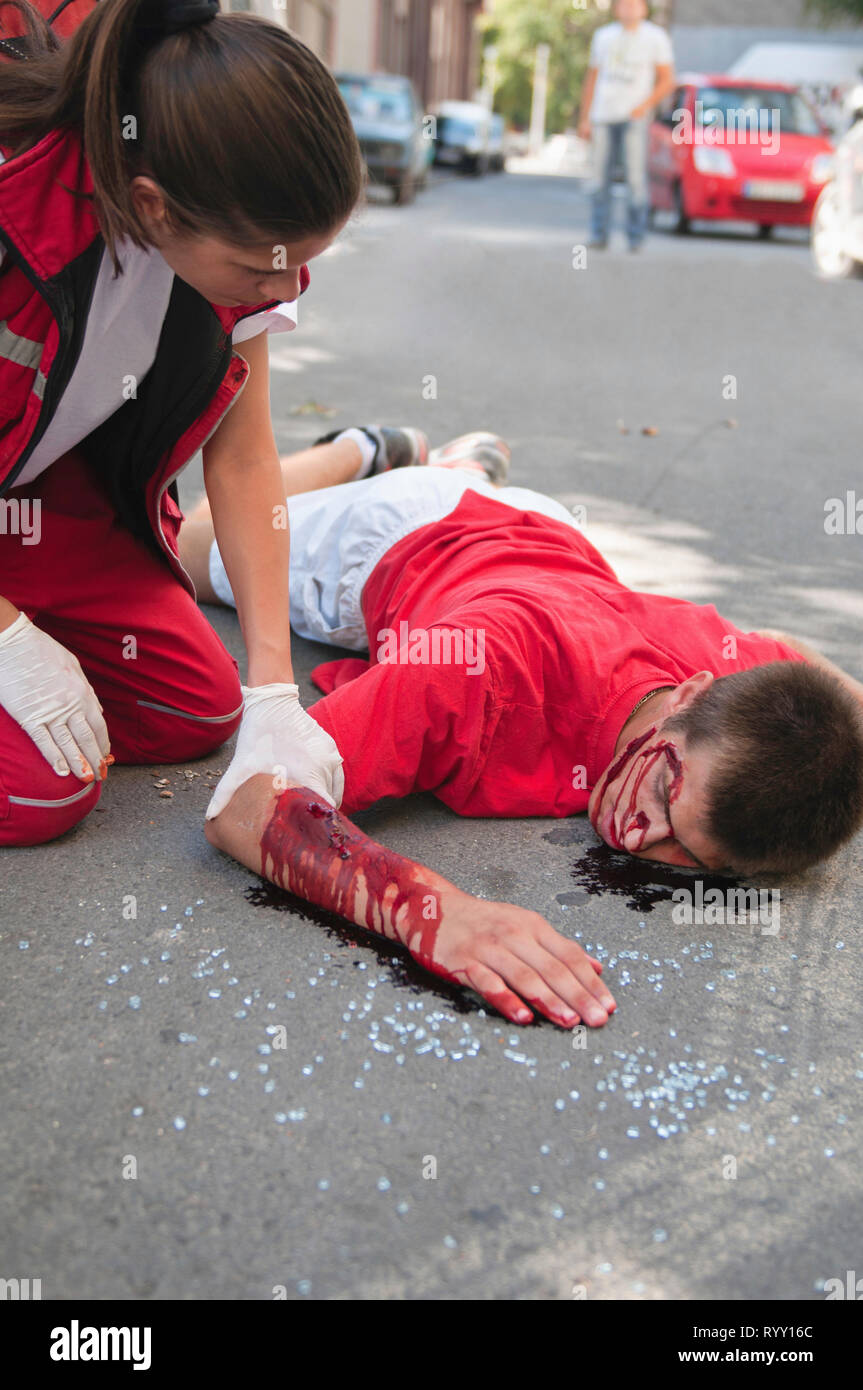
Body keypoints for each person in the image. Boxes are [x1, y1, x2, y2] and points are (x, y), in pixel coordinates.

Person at [181, 431, 863, 1028]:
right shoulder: (478, 669)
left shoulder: (747, 685)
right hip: (398, 531)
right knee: (190, 543)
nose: (633, 837)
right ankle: (366, 448)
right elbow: (248, 803)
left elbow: (785, 650)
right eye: (662, 795)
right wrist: (436, 914)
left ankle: (462, 466)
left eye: (688, 853)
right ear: (688, 694)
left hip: (545, 531)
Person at [0, 0, 402, 849]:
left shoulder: (237, 228)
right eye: (261, 270)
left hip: (30, 500)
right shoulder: (15, 218)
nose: (281, 291)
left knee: (190, 706)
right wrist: (6, 638)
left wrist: (272, 692)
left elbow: (248, 459)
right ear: (152, 209)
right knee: (41, 795)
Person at [577, 0, 675, 251]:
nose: (629, 8)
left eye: (634, 4)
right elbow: (592, 78)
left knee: (635, 180)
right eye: (623, 4)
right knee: (599, 180)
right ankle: (599, 235)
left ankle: (635, 237)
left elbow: (667, 81)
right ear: (616, 8)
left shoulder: (656, 37)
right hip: (603, 116)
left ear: (644, 8)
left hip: (634, 118)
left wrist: (645, 105)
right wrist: (585, 118)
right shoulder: (603, 36)